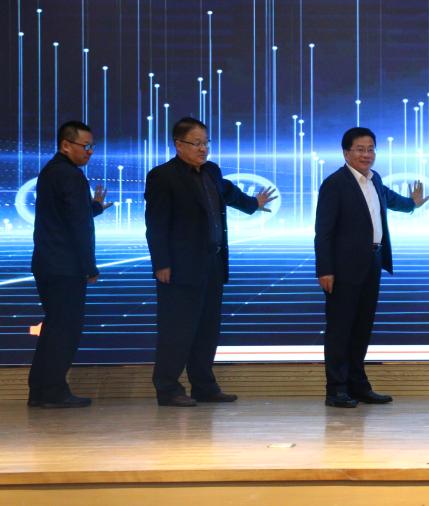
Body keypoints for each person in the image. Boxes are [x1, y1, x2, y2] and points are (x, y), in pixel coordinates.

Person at [144, 117, 276, 407]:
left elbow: (228, 193)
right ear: (178, 145)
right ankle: (168, 389)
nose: (203, 149)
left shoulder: (211, 171)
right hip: (179, 267)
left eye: (206, 143)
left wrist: (253, 204)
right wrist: (161, 263)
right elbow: (156, 223)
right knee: (177, 329)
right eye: (196, 143)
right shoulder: (162, 176)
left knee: (207, 329)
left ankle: (204, 386)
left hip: (213, 263)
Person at [314, 127, 428, 408]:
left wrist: (411, 204)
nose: (367, 155)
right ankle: (336, 390)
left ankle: (358, 386)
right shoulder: (334, 184)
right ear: (346, 153)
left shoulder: (374, 179)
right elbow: (323, 231)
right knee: (340, 330)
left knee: (362, 329)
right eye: (360, 149)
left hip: (372, 262)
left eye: (371, 149)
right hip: (343, 268)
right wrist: (325, 269)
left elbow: (388, 199)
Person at [28, 121, 112, 408]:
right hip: (66, 267)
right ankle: (53, 391)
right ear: (66, 145)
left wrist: (94, 207)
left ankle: (40, 391)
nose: (90, 151)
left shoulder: (51, 172)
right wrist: (90, 266)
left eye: (92, 146)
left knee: (54, 327)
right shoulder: (71, 176)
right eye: (85, 146)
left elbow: (68, 215)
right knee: (65, 330)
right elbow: (78, 226)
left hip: (48, 263)